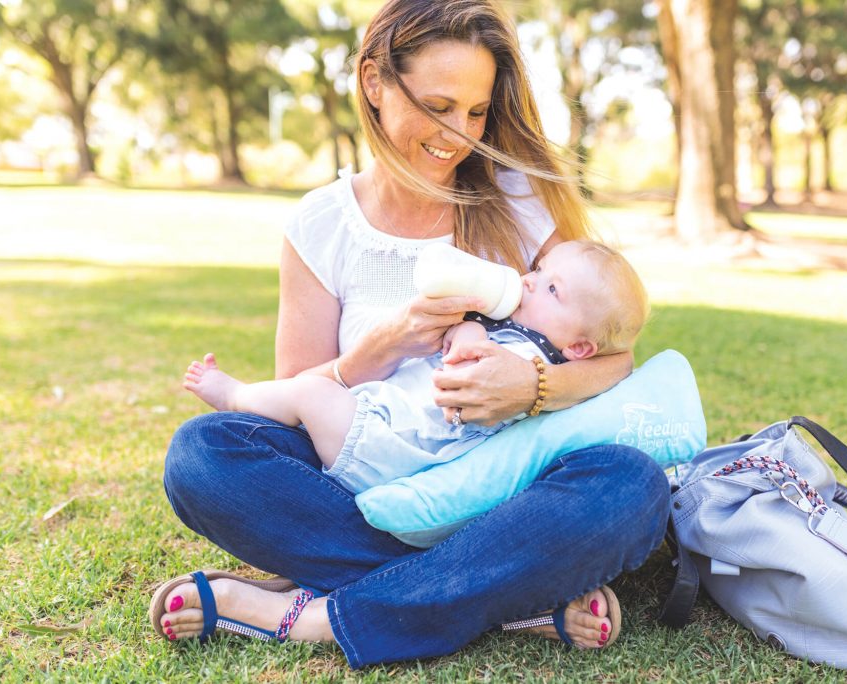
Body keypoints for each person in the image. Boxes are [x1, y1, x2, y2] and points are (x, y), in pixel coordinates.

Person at [154, 0, 670, 667]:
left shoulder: (520, 202)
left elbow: (614, 359)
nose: (458, 134)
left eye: (477, 111)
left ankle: (307, 616)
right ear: (375, 82)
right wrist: (377, 350)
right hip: (373, 482)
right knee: (202, 455)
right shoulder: (322, 226)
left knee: (630, 487)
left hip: (505, 496)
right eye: (438, 104)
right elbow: (296, 415)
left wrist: (532, 384)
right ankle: (509, 594)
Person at [181, 240, 649, 495]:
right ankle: (441, 579)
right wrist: (465, 330)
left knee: (308, 394)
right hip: (382, 429)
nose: (529, 279)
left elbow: (477, 377)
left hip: (396, 450)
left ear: (582, 348)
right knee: (201, 451)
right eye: (540, 269)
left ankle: (237, 396)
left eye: (552, 289)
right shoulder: (508, 332)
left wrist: (523, 378)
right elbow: (466, 344)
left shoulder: (529, 357)